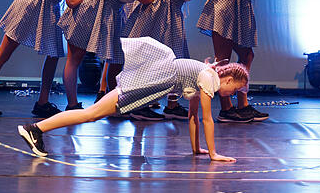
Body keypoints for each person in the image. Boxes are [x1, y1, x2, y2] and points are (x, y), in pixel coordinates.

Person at [18, 37, 247, 161]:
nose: (232, 95)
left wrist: (198, 150)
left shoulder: (204, 75)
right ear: (227, 80)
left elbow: (193, 117)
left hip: (146, 84)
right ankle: (35, 128)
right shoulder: (209, 79)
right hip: (141, 86)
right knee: (91, 114)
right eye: (235, 90)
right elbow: (207, 120)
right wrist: (214, 154)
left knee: (91, 114)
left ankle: (36, 129)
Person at [197, 0, 297, 123]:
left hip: (240, 2)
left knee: (246, 54)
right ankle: (226, 109)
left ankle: (242, 105)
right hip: (227, 2)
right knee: (223, 58)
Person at [123, 0, 226, 119]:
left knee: (174, 58)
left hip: (171, 13)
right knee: (154, 58)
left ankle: (171, 104)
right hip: (159, 12)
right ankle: (140, 105)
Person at [57, 0, 160, 113]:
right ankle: (72, 104)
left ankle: (113, 104)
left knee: (116, 58)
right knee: (75, 58)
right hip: (90, 12)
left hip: (110, 14)